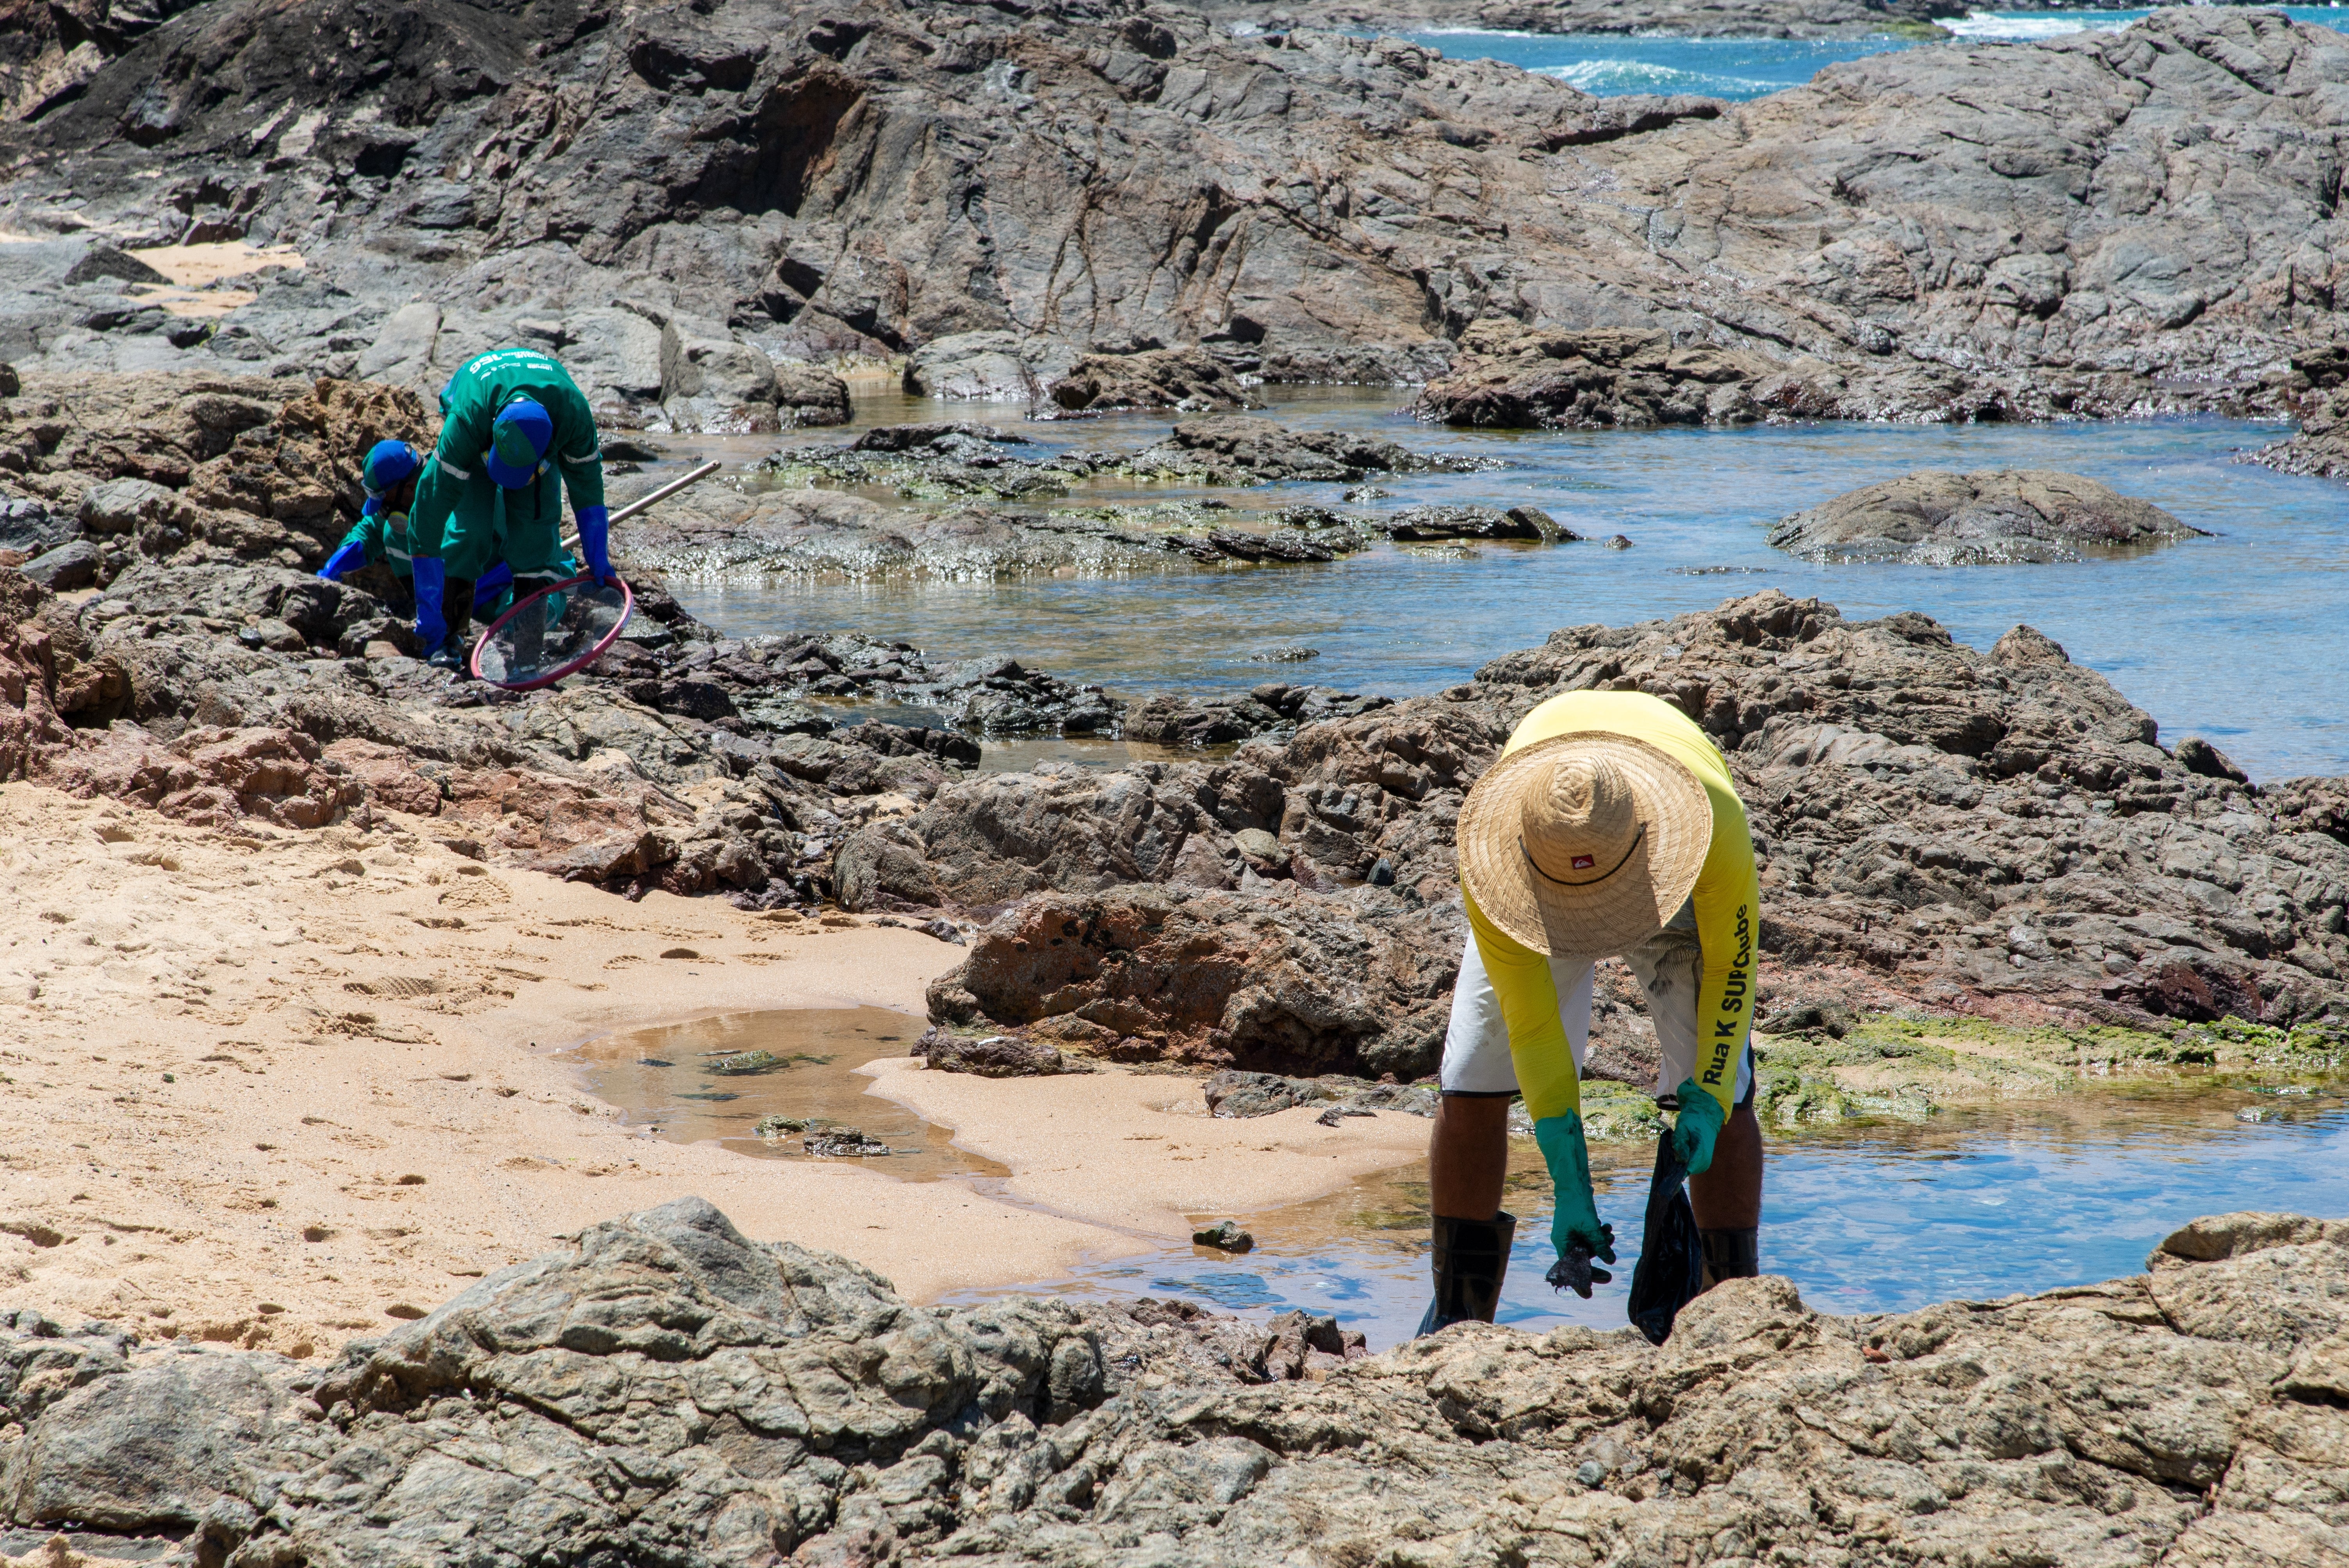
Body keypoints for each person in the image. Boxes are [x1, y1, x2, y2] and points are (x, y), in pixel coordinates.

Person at [1421, 688, 1763, 1334]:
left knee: (1729, 1095)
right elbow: (1531, 1026)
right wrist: (1566, 1174)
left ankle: (1735, 1312)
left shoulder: (1712, 818)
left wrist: (1711, 1095)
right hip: (1538, 890)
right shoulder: (1490, 856)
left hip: (1668, 879)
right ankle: (1457, 1318)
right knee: (1471, 1077)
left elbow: (1732, 966)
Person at [401, 347, 611, 669]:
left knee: (535, 539)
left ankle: (527, 655)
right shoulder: (467, 422)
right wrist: (428, 609)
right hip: (481, 425)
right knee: (470, 532)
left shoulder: (572, 414)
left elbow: (588, 489)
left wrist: (598, 558)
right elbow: (429, 511)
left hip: (538, 450)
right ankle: (446, 639)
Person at [317, 437, 527, 635]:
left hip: (500, 592)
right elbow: (370, 531)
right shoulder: (406, 501)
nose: (385, 513)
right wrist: (335, 566)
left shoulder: (470, 488)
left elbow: (528, 548)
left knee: (523, 618)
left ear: (410, 487)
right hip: (456, 602)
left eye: (386, 505)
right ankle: (435, 617)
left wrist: (488, 587)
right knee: (392, 534)